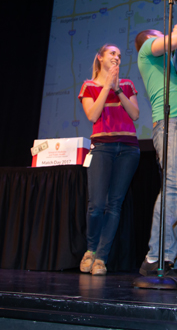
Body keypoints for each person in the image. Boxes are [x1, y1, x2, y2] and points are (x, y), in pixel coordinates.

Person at [135, 20, 177, 275]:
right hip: (173, 123)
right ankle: (156, 257)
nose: (163, 37)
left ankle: (173, 259)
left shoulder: (171, 65)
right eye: (158, 36)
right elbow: (174, 41)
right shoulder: (147, 50)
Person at [78, 44, 141, 276]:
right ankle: (90, 251)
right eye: (112, 53)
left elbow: (135, 114)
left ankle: (101, 258)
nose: (117, 57)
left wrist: (118, 90)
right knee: (96, 205)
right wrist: (107, 87)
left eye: (119, 55)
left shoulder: (126, 85)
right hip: (102, 148)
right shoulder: (89, 85)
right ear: (100, 57)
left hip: (128, 149)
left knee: (114, 205)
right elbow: (93, 115)